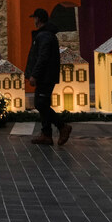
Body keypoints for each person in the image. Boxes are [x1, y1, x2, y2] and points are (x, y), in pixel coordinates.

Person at [25, 8, 72, 146]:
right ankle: (46, 134)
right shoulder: (44, 35)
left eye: (34, 18)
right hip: (45, 76)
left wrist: (35, 75)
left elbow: (43, 58)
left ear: (38, 19)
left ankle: (62, 126)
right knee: (42, 103)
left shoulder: (44, 36)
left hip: (45, 77)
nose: (33, 20)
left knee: (40, 103)